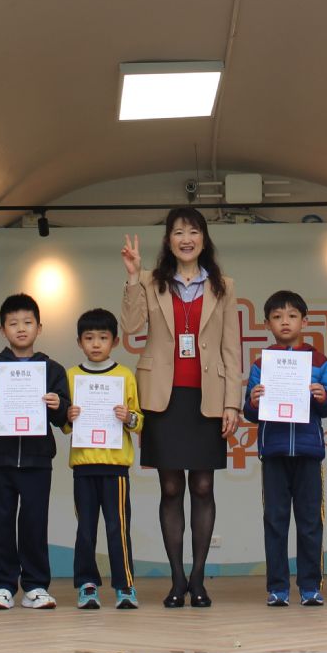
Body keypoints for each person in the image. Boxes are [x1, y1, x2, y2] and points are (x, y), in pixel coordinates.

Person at [120, 208, 242, 608]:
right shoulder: (151, 281)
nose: (186, 239)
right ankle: (176, 580)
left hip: (208, 396)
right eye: (178, 232)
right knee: (170, 487)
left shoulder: (223, 286)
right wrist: (133, 277)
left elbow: (231, 348)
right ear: (168, 240)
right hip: (163, 396)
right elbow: (131, 327)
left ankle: (199, 579)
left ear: (204, 239)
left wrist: (232, 402)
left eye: (193, 231)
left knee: (203, 486)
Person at [0, 293, 70, 610]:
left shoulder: (52, 369)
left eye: (28, 322)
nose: (21, 328)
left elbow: (64, 416)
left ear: (39, 327)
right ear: (2, 330)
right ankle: (1, 586)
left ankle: (36, 586)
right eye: (13, 323)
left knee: (34, 524)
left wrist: (58, 405)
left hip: (38, 459)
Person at [244, 290, 327, 607]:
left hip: (309, 453)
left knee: (311, 522)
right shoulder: (262, 364)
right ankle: (278, 588)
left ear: (305, 321)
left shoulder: (319, 361)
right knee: (275, 521)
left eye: (292, 316)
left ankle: (310, 586)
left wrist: (324, 397)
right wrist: (253, 401)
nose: (285, 322)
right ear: (267, 324)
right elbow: (250, 412)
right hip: (274, 452)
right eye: (277, 317)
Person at [64, 308, 143, 610]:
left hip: (116, 467)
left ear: (115, 341)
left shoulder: (125, 376)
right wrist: (68, 416)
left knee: (117, 528)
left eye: (102, 337)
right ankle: (87, 585)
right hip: (83, 465)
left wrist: (128, 417)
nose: (96, 344)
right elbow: (64, 425)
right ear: (79, 342)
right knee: (85, 529)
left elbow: (139, 421)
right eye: (89, 338)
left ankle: (125, 586)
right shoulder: (71, 376)